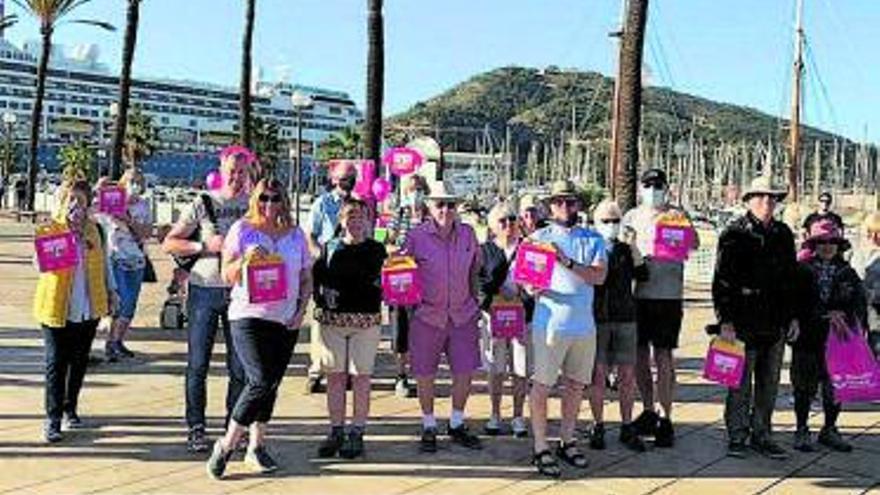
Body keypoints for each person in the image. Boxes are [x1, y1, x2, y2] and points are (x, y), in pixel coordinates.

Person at [206, 179, 310, 479]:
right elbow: (227, 274)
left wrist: (301, 310)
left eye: (275, 198)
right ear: (255, 198)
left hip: (284, 318)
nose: (269, 203)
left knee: (271, 384)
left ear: (283, 201)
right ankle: (226, 445)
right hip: (248, 315)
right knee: (259, 380)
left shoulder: (295, 234)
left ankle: (257, 445)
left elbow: (305, 276)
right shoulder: (242, 229)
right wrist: (244, 261)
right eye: (263, 197)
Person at [162, 151, 250, 452]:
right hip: (204, 288)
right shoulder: (204, 202)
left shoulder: (255, 205)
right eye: (231, 171)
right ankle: (196, 426)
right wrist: (203, 245)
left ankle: (233, 427)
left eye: (242, 172)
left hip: (241, 292)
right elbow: (169, 242)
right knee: (198, 363)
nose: (236, 177)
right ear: (221, 170)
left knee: (239, 367)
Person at [521, 180, 607, 478]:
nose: (564, 207)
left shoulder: (593, 239)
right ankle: (540, 446)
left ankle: (567, 440)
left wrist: (566, 261)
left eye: (570, 202)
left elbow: (598, 277)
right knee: (542, 386)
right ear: (550, 205)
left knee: (575, 385)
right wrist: (530, 287)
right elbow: (525, 280)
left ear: (578, 205)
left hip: (584, 326)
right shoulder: (536, 238)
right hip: (550, 325)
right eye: (558, 202)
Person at [712, 176, 799, 460]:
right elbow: (721, 280)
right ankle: (737, 434)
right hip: (742, 318)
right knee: (738, 381)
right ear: (748, 200)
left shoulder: (784, 234)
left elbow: (791, 280)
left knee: (769, 382)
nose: (767, 202)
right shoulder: (734, 233)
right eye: (760, 197)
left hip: (775, 319)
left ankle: (762, 433)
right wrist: (725, 320)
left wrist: (793, 317)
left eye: (772, 197)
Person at [402, 180, 483, 453]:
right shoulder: (415, 237)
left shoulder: (469, 234)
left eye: (450, 204)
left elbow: (475, 269)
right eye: (440, 204)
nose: (446, 210)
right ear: (428, 206)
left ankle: (457, 422)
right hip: (427, 316)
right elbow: (403, 275)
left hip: (463, 314)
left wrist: (477, 300)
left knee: (465, 371)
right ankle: (428, 424)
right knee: (425, 373)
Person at [34, 180, 117, 442]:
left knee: (79, 360)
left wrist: (112, 292)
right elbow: (41, 265)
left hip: (88, 306)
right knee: (56, 361)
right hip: (56, 306)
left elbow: (106, 265)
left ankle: (71, 408)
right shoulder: (50, 229)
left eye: (80, 201)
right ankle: (53, 417)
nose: (75, 206)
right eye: (69, 200)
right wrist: (67, 236)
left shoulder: (97, 230)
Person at [622, 168, 698, 447]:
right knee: (640, 355)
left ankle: (666, 417)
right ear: (642, 188)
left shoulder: (677, 214)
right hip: (639, 294)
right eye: (648, 184)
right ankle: (648, 409)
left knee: (664, 357)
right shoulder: (631, 216)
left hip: (668, 295)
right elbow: (620, 247)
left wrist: (683, 228)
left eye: (658, 184)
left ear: (666, 187)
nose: (653, 189)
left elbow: (694, 246)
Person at [313, 199, 388, 459]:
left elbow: (388, 284)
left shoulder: (378, 250)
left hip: (365, 322)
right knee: (335, 376)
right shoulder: (329, 248)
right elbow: (316, 282)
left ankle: (357, 431)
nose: (356, 222)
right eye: (350, 217)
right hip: (333, 324)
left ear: (368, 221)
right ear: (341, 221)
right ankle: (336, 430)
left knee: (361, 377)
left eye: (360, 217)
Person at [790, 219, 866, 454]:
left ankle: (830, 428)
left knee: (834, 386)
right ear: (813, 244)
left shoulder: (848, 272)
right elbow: (793, 302)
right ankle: (802, 428)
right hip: (808, 336)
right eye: (821, 242)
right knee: (804, 386)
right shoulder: (802, 270)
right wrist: (823, 314)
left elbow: (859, 304)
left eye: (832, 241)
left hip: (838, 338)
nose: (827, 246)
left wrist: (854, 325)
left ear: (839, 245)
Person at [587, 199, 648, 452]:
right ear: (595, 223)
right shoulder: (590, 247)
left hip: (625, 318)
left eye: (615, 220)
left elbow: (643, 275)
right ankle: (597, 424)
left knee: (627, 375)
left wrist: (633, 247)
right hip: (598, 319)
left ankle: (626, 425)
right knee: (598, 375)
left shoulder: (625, 249)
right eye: (606, 221)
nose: (611, 225)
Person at [304, 161, 357, 394]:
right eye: (344, 177)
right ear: (334, 179)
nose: (348, 181)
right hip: (327, 269)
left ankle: (342, 371)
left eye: (352, 176)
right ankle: (316, 370)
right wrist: (322, 257)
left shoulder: (359, 204)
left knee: (347, 318)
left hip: (352, 271)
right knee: (321, 319)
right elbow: (310, 236)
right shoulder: (322, 203)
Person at [477, 202, 529, 438]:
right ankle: (495, 414)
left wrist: (523, 290)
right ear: (492, 226)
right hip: (494, 315)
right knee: (495, 368)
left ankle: (518, 416)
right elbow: (477, 284)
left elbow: (541, 281)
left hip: (524, 314)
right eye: (503, 221)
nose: (508, 224)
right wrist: (497, 290)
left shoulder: (528, 249)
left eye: (512, 219)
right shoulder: (484, 250)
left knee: (521, 368)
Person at [102, 169, 153, 361]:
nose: (135, 185)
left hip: (137, 259)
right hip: (116, 258)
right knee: (119, 302)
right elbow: (96, 216)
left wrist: (130, 221)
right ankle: (110, 343)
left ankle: (118, 341)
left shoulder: (144, 205)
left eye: (139, 181)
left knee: (130, 304)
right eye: (131, 181)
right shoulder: (112, 201)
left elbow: (146, 232)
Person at [386, 174, 429, 398]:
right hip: (400, 280)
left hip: (424, 283)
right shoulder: (399, 214)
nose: (416, 193)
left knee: (421, 330)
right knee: (400, 329)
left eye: (419, 189)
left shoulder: (431, 216)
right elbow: (388, 242)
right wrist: (397, 250)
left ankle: (420, 373)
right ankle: (401, 375)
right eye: (412, 189)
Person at [852, 212, 880, 334]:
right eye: (869, 232)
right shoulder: (857, 254)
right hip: (858, 306)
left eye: (878, 233)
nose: (873, 237)